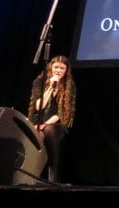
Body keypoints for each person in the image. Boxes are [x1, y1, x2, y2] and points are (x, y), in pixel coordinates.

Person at [28, 55, 76, 183]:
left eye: (62, 68)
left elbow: (62, 113)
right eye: (56, 67)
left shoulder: (69, 85)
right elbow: (38, 106)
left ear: (66, 70)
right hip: (37, 120)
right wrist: (50, 87)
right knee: (39, 135)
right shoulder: (40, 81)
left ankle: (52, 177)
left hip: (57, 122)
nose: (58, 71)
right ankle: (34, 176)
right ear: (50, 68)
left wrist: (45, 124)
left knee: (49, 130)